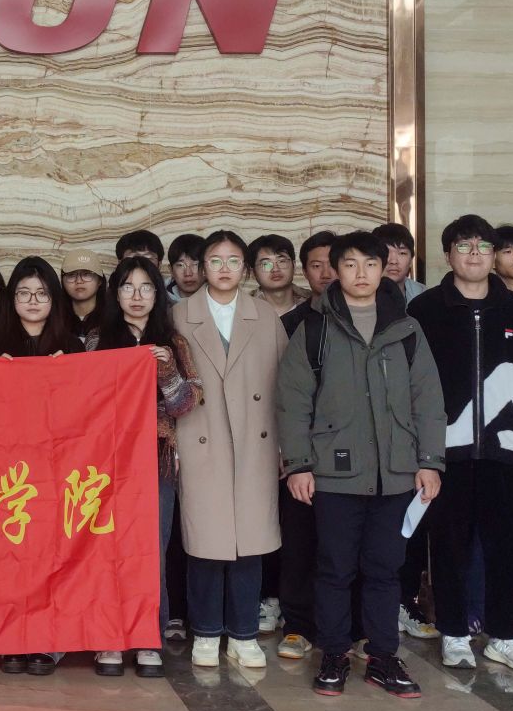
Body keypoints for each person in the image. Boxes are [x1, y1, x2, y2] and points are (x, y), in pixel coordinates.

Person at [277, 231, 444, 701]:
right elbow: (293, 401)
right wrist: (299, 464)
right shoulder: (315, 328)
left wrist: (429, 461)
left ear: (382, 267)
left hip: (396, 472)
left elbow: (428, 400)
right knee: (334, 568)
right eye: (349, 265)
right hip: (334, 474)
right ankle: (333, 653)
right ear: (336, 270)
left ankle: (383, 657)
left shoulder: (406, 328)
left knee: (385, 570)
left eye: (370, 264)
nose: (361, 274)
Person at [405, 215, 513, 672]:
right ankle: (454, 631)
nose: (474, 255)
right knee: (449, 545)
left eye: (484, 247)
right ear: (447, 255)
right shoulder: (425, 310)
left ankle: (504, 634)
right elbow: (407, 385)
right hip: (445, 451)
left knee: (505, 545)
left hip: (506, 451)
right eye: (464, 246)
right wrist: (419, 449)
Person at [171, 231, 284, 672]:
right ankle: (205, 632)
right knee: (205, 543)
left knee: (249, 543)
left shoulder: (265, 316)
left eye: (233, 261)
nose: (224, 269)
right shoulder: (180, 315)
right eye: (215, 260)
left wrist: (285, 446)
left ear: (246, 269)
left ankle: (243, 634)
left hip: (255, 440)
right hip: (201, 439)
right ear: (202, 267)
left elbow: (284, 386)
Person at [93, 256, 196, 678]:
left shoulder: (173, 342)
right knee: (105, 549)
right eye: (127, 287)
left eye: (146, 287)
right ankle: (109, 638)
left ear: (158, 294)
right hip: (106, 462)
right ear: (115, 294)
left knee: (151, 550)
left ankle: (148, 638)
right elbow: (83, 400)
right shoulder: (98, 341)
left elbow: (186, 403)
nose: (136, 296)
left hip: (156, 460)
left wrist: (166, 369)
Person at [271, 228, 342, 661]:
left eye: (335, 264)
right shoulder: (290, 324)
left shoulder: (372, 320)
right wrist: (289, 453)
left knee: (345, 547)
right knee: (299, 543)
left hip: (351, 456)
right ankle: (297, 625)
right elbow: (281, 395)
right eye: (316, 265)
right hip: (301, 454)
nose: (327, 273)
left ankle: (351, 629)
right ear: (305, 271)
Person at [0, 257, 81, 358]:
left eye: (42, 293)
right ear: (12, 296)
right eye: (24, 293)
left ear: (54, 297)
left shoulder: (72, 345)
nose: (33, 301)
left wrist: (67, 365)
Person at [248, 235, 310, 310]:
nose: (275, 269)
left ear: (294, 266)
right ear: (253, 273)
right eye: (266, 264)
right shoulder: (242, 308)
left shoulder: (315, 303)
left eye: (281, 261)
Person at [374, 223, 424, 301]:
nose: (393, 261)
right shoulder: (359, 294)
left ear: (411, 260)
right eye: (386, 252)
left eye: (402, 253)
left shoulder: (423, 295)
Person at [62, 256, 105, 343]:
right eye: (71, 275)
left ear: (100, 280)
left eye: (86, 274)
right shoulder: (53, 318)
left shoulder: (114, 318)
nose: (79, 281)